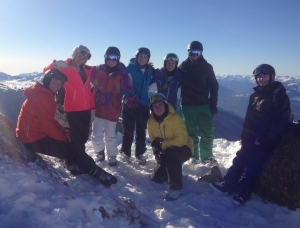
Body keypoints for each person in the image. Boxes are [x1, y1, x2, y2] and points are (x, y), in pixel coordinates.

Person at [15, 69, 117, 186]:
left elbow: (50, 120)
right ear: (48, 80)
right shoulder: (42, 97)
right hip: (32, 139)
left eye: (60, 83)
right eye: (55, 82)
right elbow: (47, 126)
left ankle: (74, 164)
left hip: (34, 134)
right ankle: (96, 172)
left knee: (70, 137)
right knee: (71, 148)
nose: (58, 85)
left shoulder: (45, 94)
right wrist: (64, 139)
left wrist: (65, 132)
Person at [209, 64, 292, 205]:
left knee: (252, 165)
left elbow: (280, 120)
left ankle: (242, 193)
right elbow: (249, 118)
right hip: (251, 136)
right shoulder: (255, 95)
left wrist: (264, 138)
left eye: (264, 76)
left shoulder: (279, 95)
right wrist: (244, 135)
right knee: (240, 159)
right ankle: (228, 184)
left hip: (266, 139)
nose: (261, 79)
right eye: (259, 76)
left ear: (272, 76)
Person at [43, 45, 96, 178]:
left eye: (85, 57)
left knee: (83, 137)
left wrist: (92, 109)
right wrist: (55, 64)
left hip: (85, 109)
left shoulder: (87, 71)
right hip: (71, 108)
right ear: (74, 55)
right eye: (80, 55)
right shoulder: (65, 67)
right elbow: (46, 71)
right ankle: (72, 161)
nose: (82, 59)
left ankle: (79, 158)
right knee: (74, 137)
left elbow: (89, 92)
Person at [90, 47, 139, 166]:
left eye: (114, 58)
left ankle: (112, 155)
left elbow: (128, 90)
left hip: (113, 109)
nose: (111, 60)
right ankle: (99, 152)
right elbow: (86, 79)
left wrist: (134, 104)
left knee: (110, 135)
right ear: (105, 58)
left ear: (118, 58)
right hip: (98, 108)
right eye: (108, 57)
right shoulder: (97, 70)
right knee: (96, 133)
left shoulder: (122, 74)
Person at [178, 41, 219, 165]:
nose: (194, 55)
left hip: (203, 105)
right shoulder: (183, 67)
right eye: (191, 52)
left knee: (208, 131)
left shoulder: (207, 67)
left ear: (201, 53)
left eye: (197, 52)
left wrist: (213, 104)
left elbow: (214, 86)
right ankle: (193, 156)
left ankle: (206, 156)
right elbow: (174, 81)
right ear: (188, 53)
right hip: (187, 105)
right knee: (190, 133)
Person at [148, 93, 193, 201]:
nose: (158, 108)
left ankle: (176, 188)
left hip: (184, 148)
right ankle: (172, 165)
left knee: (170, 153)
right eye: (155, 106)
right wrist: (156, 152)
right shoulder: (151, 122)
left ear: (165, 105)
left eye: (160, 105)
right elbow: (153, 140)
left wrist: (162, 144)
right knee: (157, 178)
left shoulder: (175, 118)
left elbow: (181, 141)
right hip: (167, 150)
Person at [119, 47, 155, 165]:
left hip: (144, 105)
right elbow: (124, 85)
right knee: (128, 130)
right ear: (136, 57)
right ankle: (125, 153)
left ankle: (140, 153)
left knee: (141, 131)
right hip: (130, 104)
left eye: (145, 57)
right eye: (140, 56)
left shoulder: (150, 70)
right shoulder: (129, 69)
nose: (142, 59)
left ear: (148, 58)